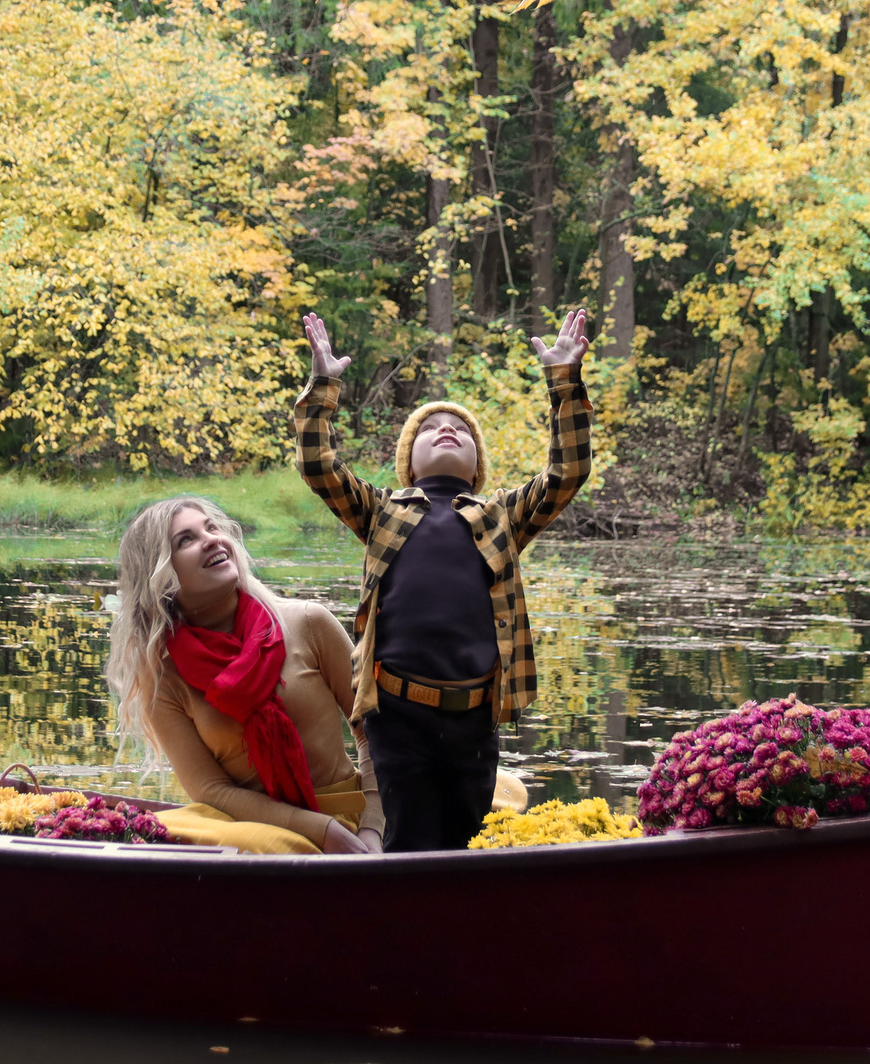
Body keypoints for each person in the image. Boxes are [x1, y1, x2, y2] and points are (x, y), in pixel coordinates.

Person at [294, 310, 593, 851]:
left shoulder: (502, 515)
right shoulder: (381, 511)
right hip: (396, 715)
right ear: (408, 460)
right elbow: (319, 467)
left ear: (478, 463)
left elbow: (567, 472)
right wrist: (323, 386)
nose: (445, 429)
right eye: (428, 428)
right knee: (406, 840)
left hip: (474, 718)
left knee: (466, 844)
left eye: (458, 428)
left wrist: (564, 383)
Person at [104, 497, 382, 855]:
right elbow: (211, 791)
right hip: (254, 832)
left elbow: (377, 735)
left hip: (348, 824)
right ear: (159, 576)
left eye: (212, 527)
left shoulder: (309, 623)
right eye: (185, 540)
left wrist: (373, 829)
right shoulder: (162, 678)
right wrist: (319, 829)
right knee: (154, 831)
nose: (211, 539)